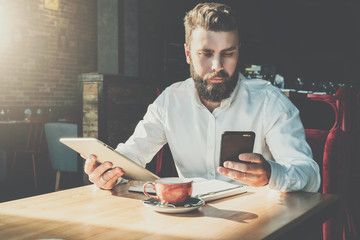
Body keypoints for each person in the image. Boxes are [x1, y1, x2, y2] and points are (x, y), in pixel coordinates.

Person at [84, 2, 320, 192]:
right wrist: (108, 173)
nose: (217, 66)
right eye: (205, 54)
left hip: (258, 226)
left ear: (239, 51)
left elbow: (310, 175)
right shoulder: (170, 101)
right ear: (188, 53)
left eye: (228, 53)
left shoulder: (270, 103)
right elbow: (132, 155)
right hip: (190, 223)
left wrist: (272, 174)